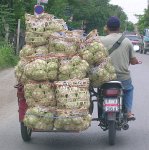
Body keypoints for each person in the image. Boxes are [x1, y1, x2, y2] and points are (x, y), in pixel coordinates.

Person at [100, 16, 140, 119]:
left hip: (105, 77)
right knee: (129, 90)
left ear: (107, 27)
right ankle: (129, 112)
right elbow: (132, 60)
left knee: (99, 93)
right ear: (119, 27)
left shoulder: (101, 40)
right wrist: (136, 62)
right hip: (122, 78)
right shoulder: (127, 41)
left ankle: (101, 112)